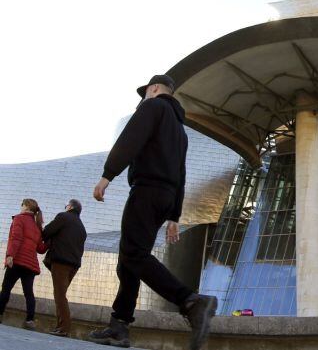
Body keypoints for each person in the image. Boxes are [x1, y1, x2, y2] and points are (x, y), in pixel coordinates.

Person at [88, 75, 216, 350]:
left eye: (145, 92)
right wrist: (175, 216)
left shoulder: (152, 107)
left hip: (146, 190)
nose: (143, 98)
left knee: (133, 254)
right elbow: (182, 174)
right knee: (130, 260)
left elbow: (130, 139)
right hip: (166, 198)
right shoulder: (180, 132)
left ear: (154, 89)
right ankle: (119, 326)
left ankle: (191, 301)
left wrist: (107, 175)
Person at [42, 199, 87, 337]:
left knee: (60, 296)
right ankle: (60, 326)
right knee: (61, 294)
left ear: (70, 207)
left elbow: (47, 232)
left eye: (66, 205)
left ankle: (64, 328)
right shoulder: (81, 227)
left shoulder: (63, 216)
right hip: (73, 265)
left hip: (61, 262)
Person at [0, 198, 47, 329]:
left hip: (17, 260)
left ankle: (0, 313)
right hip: (30, 265)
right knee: (28, 293)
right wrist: (50, 242)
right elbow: (41, 249)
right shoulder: (37, 226)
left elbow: (16, 238)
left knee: (6, 288)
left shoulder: (19, 219)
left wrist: (10, 255)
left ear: (26, 206)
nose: (20, 207)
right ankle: (30, 320)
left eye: (21, 204)